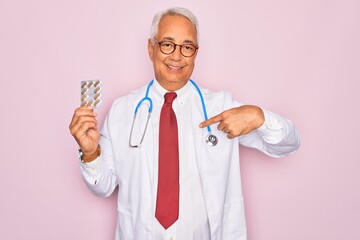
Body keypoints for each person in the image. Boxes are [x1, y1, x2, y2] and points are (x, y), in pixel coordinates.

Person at [69, 7, 300, 240]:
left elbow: (287, 144)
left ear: (196, 53)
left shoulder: (221, 107)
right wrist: (90, 153)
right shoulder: (122, 110)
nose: (177, 56)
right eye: (167, 44)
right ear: (151, 48)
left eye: (187, 47)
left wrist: (258, 116)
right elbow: (103, 187)